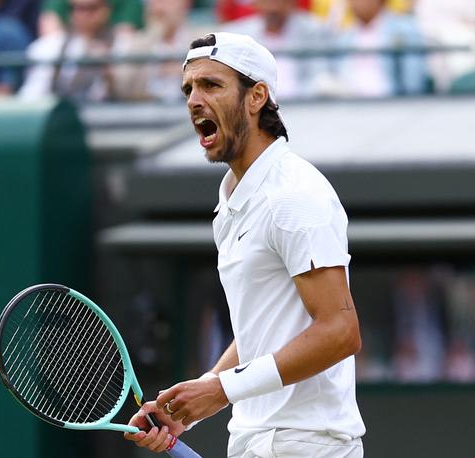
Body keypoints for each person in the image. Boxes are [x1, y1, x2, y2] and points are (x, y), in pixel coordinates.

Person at [124, 32, 365, 457]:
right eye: (188, 89)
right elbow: (262, 328)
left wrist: (223, 389)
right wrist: (194, 403)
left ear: (257, 97)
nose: (194, 100)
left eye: (211, 85)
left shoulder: (293, 193)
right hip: (257, 439)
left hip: (306, 444)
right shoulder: (233, 197)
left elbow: (340, 331)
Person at [225, 0, 335, 100]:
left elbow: (319, 78)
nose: (273, 8)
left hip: (304, 106)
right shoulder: (236, 34)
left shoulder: (314, 30)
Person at [112, 0, 209, 102]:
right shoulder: (135, 43)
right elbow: (121, 89)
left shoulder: (204, 39)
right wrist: (152, 37)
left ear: (185, 3)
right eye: (152, 2)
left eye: (163, 1)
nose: (157, 7)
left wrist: (182, 71)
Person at [18, 0, 115, 102]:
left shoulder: (123, 45)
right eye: (78, 8)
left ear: (106, 10)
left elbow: (127, 97)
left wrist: (108, 70)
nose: (85, 14)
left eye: (92, 8)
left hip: (108, 114)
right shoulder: (47, 46)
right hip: (60, 112)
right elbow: (32, 96)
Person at [334, 0, 427, 97]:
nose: (355, 3)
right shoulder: (344, 38)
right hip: (349, 107)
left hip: (391, 107)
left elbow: (413, 85)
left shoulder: (405, 31)